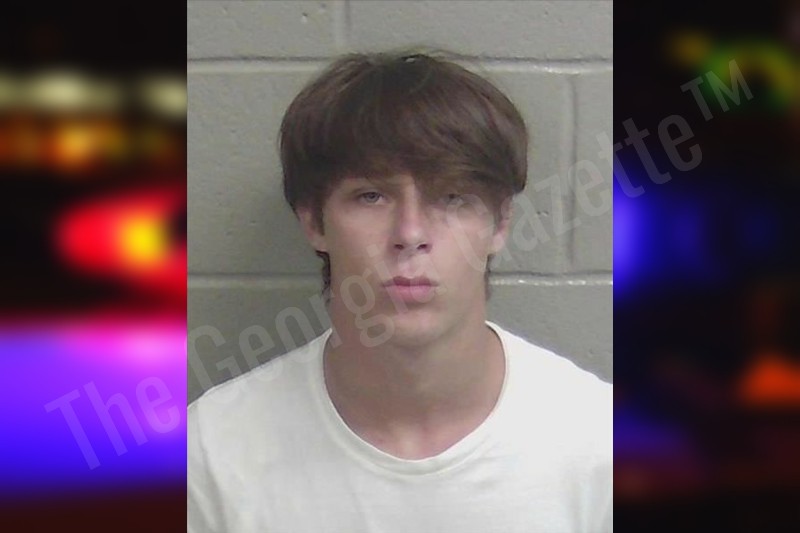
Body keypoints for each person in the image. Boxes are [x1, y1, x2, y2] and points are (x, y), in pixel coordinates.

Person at [188, 50, 612, 533]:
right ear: (314, 222)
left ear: (500, 224)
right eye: (371, 196)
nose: (410, 233)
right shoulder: (213, 455)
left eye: (452, 196)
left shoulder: (602, 446)